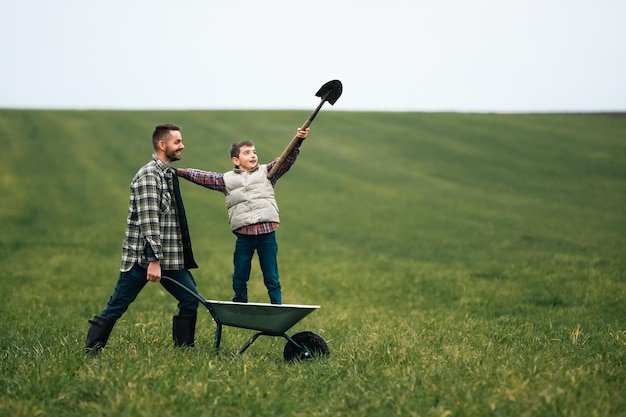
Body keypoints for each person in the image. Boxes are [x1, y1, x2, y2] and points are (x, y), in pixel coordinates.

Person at [85, 123, 201, 356]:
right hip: (142, 259)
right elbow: (149, 221)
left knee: (190, 299)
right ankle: (92, 351)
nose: (182, 146)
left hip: (170, 260)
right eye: (177, 142)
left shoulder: (166, 174)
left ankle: (184, 351)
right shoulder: (149, 176)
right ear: (162, 144)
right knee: (118, 305)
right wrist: (154, 260)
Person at [177, 127, 309, 305]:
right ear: (236, 160)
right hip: (244, 236)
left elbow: (286, 160)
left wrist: (298, 140)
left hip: (267, 234)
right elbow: (203, 176)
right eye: (247, 153)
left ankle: (277, 306)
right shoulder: (226, 180)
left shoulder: (268, 172)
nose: (253, 155)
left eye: (254, 152)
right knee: (240, 274)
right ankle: (240, 303)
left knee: (271, 275)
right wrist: (179, 172)